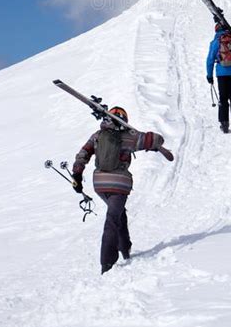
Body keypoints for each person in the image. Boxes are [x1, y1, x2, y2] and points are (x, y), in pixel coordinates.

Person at [71, 107, 165, 275]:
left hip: (99, 184)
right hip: (119, 185)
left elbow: (83, 154)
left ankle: (125, 247)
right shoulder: (131, 138)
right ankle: (107, 263)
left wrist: (77, 175)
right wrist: (141, 136)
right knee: (112, 219)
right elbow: (157, 139)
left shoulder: (97, 136)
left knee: (119, 213)